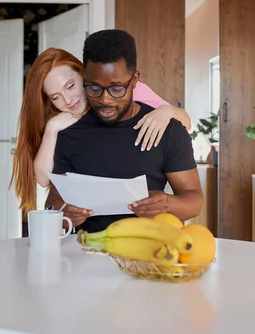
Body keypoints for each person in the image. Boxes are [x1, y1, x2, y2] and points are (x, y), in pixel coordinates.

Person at [44, 29, 203, 232]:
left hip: (148, 252)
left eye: (117, 89)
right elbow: (53, 199)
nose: (105, 99)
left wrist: (167, 204)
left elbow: (194, 201)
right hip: (83, 251)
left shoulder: (167, 129)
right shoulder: (69, 132)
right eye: (94, 88)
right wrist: (62, 211)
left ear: (134, 80)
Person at [11, 47, 192, 218]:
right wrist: (51, 130)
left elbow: (186, 122)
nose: (68, 100)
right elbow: (43, 180)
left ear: (84, 76)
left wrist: (167, 111)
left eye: (70, 86)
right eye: (56, 97)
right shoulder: (61, 119)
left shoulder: (123, 92)